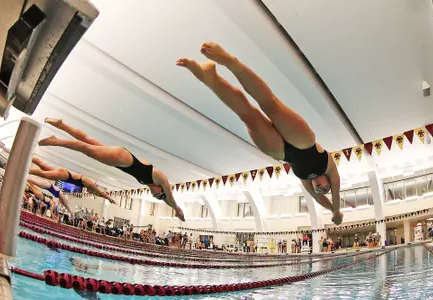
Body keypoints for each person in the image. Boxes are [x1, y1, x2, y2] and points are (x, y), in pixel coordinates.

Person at [177, 42, 343, 225]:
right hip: (304, 142)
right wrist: (336, 211)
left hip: (282, 153)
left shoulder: (306, 181)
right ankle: (230, 61)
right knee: (270, 104)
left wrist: (329, 211)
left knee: (248, 115)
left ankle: (209, 78)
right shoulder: (329, 168)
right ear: (327, 181)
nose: (319, 189)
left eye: (318, 190)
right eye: (324, 188)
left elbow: (318, 198)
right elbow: (335, 189)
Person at [38, 118, 185, 221]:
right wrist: (177, 210)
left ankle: (61, 124)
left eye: (155, 197)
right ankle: (54, 140)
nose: (154, 195)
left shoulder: (150, 182)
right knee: (86, 149)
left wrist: (171, 205)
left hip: (120, 160)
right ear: (162, 189)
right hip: (122, 159)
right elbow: (170, 198)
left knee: (87, 140)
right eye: (158, 195)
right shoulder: (160, 178)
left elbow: (166, 199)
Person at [30, 156, 116, 204]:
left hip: (64, 175)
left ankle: (31, 157)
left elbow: (98, 194)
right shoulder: (90, 184)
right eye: (92, 191)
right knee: (44, 174)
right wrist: (109, 198)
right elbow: (100, 192)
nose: (91, 192)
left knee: (44, 167)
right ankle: (27, 169)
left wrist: (103, 196)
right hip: (64, 175)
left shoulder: (87, 186)